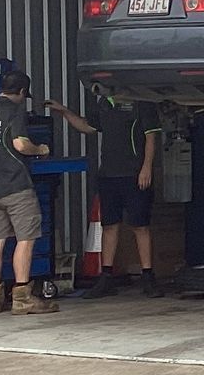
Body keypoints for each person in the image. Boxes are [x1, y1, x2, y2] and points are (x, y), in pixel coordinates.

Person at [67, 85, 165, 299]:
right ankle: (106, 277)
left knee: (140, 225)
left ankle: (148, 276)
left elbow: (151, 137)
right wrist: (64, 112)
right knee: (109, 225)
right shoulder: (103, 103)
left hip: (134, 173)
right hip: (108, 174)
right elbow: (88, 127)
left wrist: (146, 167)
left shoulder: (141, 101)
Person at [0, 70, 62, 315]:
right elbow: (20, 144)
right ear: (22, 92)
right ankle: (22, 296)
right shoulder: (15, 111)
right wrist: (41, 149)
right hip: (16, 186)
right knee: (26, 239)